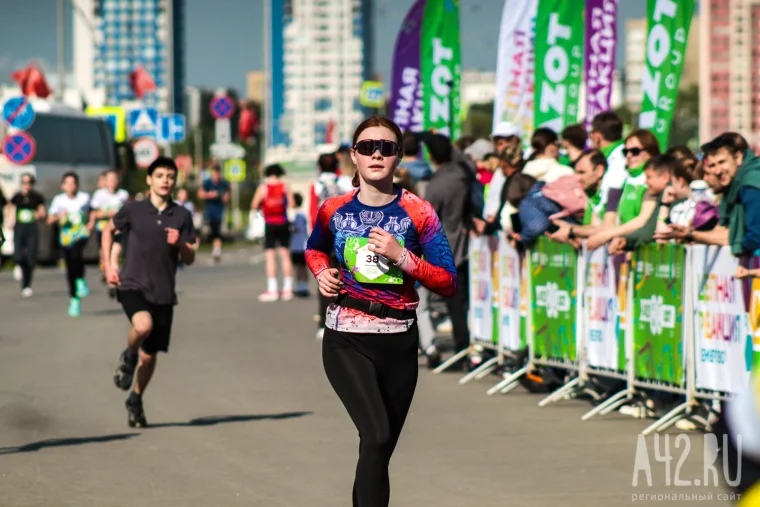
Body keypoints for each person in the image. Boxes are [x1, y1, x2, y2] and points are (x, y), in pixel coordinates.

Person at [306, 116, 457, 507]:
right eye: (367, 147)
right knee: (376, 434)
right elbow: (315, 248)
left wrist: (402, 257)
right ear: (353, 155)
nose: (376, 154)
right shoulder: (334, 209)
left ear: (399, 156)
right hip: (347, 338)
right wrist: (322, 273)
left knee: (378, 447)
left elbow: (448, 280)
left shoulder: (418, 211)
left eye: (386, 148)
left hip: (399, 340)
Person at [103, 156, 196, 428]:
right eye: (160, 176)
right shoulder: (133, 210)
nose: (165, 181)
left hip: (164, 291)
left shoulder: (182, 215)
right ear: (149, 179)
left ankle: (135, 398)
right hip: (132, 283)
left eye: (170, 176)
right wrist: (109, 265)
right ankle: (129, 355)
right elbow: (108, 230)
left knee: (150, 355)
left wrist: (180, 243)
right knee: (143, 325)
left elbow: (190, 257)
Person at [424, 133, 472, 358]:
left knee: (454, 302)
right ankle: (468, 346)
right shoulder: (465, 174)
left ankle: (462, 348)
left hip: (447, 246)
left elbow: (428, 219)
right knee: (467, 300)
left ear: (432, 156)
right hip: (468, 242)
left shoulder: (438, 183)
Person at [310, 152, 353, 339]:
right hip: (347, 236)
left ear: (319, 167)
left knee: (326, 279)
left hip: (325, 236)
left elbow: (313, 214)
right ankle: (348, 317)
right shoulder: (346, 182)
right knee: (349, 278)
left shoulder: (316, 185)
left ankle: (324, 323)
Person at [47, 172, 91, 317]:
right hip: (66, 236)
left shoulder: (84, 198)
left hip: (81, 233)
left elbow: (92, 212)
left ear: (77, 185)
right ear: (63, 186)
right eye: (68, 183)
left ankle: (81, 280)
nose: (71, 186)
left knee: (76, 254)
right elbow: (50, 219)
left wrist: (90, 223)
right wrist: (60, 216)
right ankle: (74, 299)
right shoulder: (59, 200)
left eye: (73, 183)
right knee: (70, 266)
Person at [251, 164, 296, 302]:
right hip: (283, 222)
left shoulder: (263, 187)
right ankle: (287, 289)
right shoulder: (285, 186)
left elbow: (254, 205)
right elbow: (292, 204)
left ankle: (273, 289)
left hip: (269, 223)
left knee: (270, 256)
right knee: (285, 255)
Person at [90, 169, 130, 296]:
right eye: (110, 179)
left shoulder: (123, 194)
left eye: (115, 179)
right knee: (104, 256)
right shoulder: (99, 195)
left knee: (115, 255)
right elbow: (94, 213)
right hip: (103, 230)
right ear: (105, 181)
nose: (112, 182)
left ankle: (113, 284)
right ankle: (105, 271)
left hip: (118, 230)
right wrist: (106, 214)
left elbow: (129, 212)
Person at [10, 174, 46, 297]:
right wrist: (10, 220)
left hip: (31, 229)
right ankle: (18, 265)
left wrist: (39, 214)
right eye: (24, 183)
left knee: (31, 257)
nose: (26, 185)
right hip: (19, 228)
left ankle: (26, 285)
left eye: (29, 183)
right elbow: (10, 208)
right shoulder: (17, 197)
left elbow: (42, 212)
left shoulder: (37, 197)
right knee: (18, 253)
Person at [197, 164, 229, 264]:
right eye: (214, 173)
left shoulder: (223, 183)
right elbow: (200, 194)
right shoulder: (207, 183)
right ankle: (203, 245)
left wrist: (223, 197)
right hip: (209, 210)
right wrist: (209, 195)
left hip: (219, 210)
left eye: (217, 173)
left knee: (217, 230)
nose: (216, 175)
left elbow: (227, 196)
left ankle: (216, 251)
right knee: (208, 230)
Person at [289, 192, 310, 297]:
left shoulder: (298, 214)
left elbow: (297, 228)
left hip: (299, 245)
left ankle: (302, 287)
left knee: (299, 267)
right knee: (302, 267)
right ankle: (303, 286)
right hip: (302, 244)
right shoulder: (303, 213)